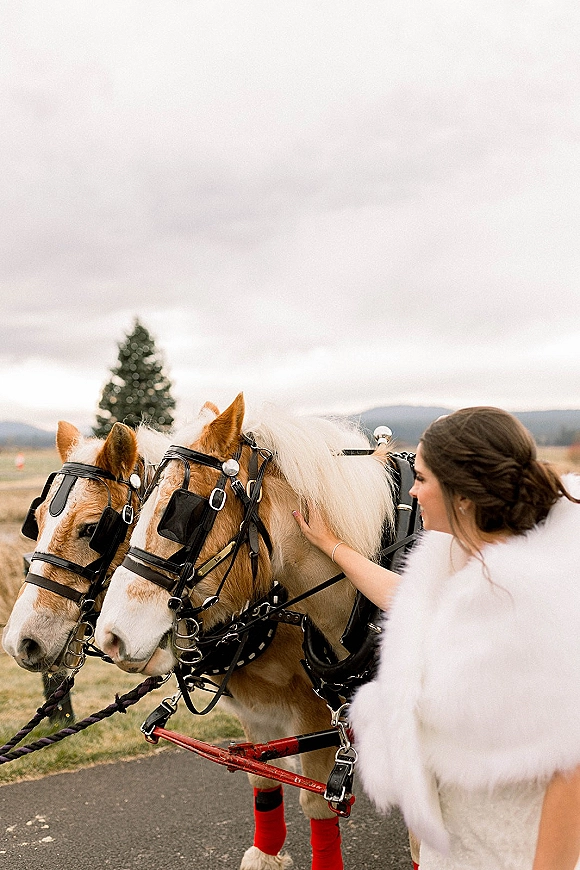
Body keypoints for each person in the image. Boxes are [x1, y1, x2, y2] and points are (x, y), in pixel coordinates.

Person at [293, 407, 580, 870]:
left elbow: (572, 765)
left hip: (512, 850)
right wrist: (331, 545)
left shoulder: (527, 600)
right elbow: (403, 596)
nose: (412, 490)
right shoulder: (456, 559)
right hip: (452, 843)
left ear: (462, 495)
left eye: (422, 478)